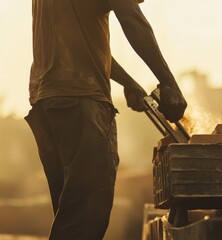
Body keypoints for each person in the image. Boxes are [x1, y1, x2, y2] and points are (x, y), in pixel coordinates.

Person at [25, 0, 187, 239]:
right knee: (85, 222)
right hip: (82, 104)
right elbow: (133, 20)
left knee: (71, 219)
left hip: (49, 105)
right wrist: (168, 81)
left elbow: (78, 40)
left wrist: (128, 82)